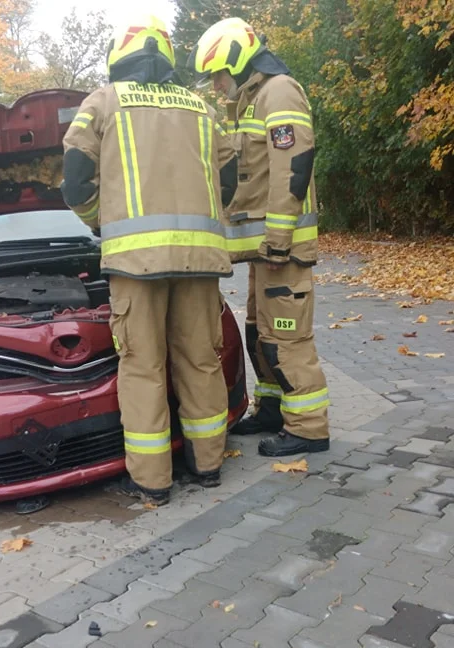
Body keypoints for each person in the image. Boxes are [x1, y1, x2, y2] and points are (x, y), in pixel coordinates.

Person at [62, 15, 239, 506]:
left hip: (136, 264)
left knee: (143, 368)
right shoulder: (202, 107)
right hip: (201, 260)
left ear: (120, 56)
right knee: (201, 361)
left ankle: (152, 481)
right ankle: (208, 466)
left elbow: (74, 182)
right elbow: (229, 178)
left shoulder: (103, 101)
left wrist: (102, 222)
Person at [188, 17, 330, 457]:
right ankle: (272, 410)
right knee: (259, 333)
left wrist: (279, 238)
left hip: (281, 249)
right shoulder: (250, 101)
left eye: (218, 76)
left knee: (285, 337)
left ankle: (308, 428)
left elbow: (293, 167)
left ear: (236, 60)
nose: (216, 86)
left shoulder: (279, 92)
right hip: (265, 250)